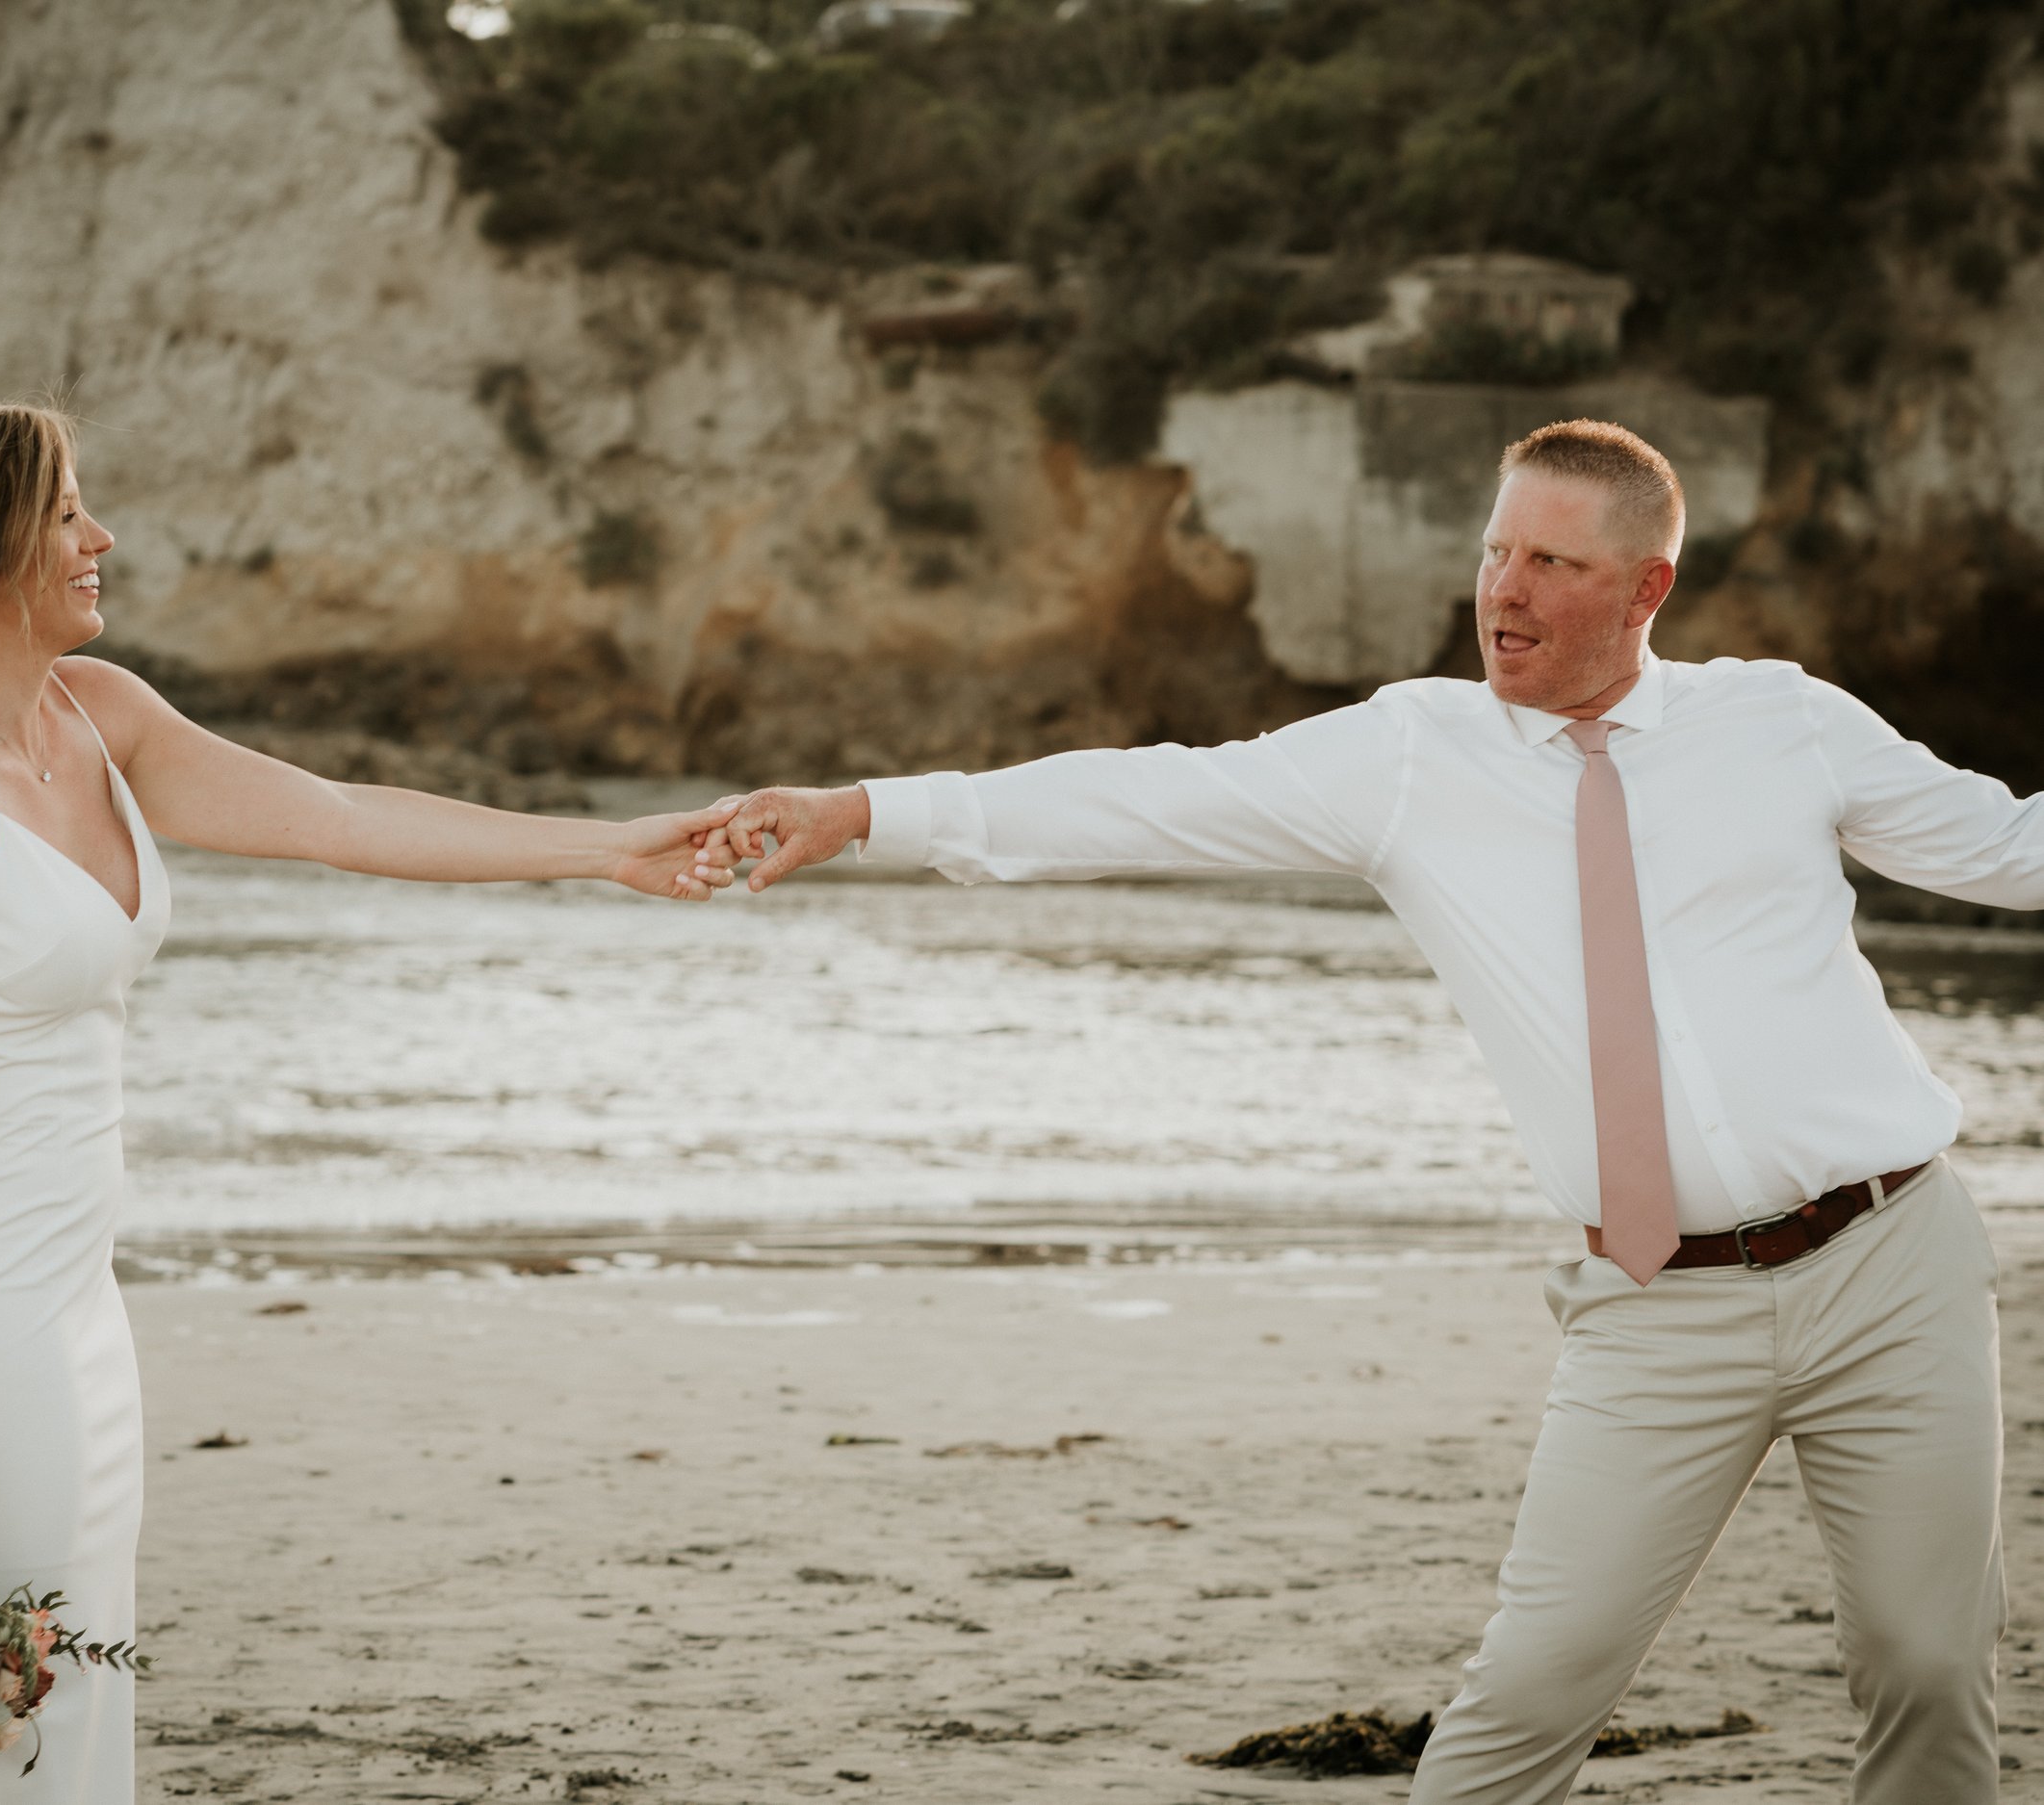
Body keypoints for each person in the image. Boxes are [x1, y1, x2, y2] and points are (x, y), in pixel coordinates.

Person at [719, 419, 2027, 1803]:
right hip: (1657, 1301)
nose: (1503, 591)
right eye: (1494, 549)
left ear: (1645, 590)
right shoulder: (1411, 756)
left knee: (1929, 1666)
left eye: (1551, 563)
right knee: (1532, 1691)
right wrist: (865, 812)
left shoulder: (1784, 723)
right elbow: (1148, 796)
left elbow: (2011, 846)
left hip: (1891, 1260)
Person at [0, 400, 738, 1801]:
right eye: (66, 512)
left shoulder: (98, 719)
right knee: (7, 1713)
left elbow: (343, 818)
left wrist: (611, 851)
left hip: (77, 1305)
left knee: (78, 1676)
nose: (99, 536)